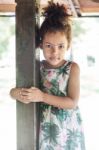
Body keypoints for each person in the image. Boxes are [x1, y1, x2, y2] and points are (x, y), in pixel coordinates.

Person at [10, 2, 86, 150]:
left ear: (68, 44)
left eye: (61, 46)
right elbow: (14, 92)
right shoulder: (38, 67)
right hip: (44, 126)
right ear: (40, 44)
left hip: (66, 127)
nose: (55, 52)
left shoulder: (72, 68)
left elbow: (72, 102)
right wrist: (16, 93)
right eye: (49, 46)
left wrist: (42, 97)